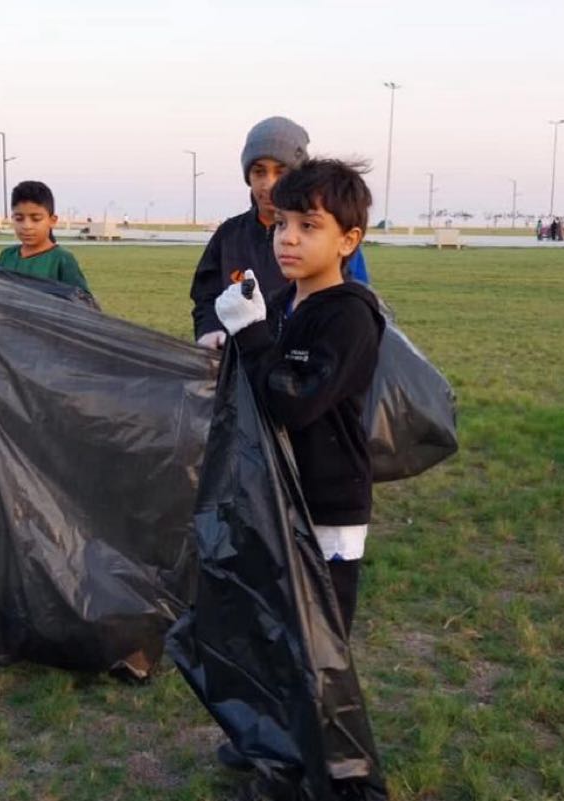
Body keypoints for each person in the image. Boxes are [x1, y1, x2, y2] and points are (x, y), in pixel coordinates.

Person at [212, 160, 385, 792]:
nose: (288, 237)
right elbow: (261, 386)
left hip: (328, 504)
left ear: (348, 240)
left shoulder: (349, 315)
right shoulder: (287, 302)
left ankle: (321, 772)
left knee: (317, 648)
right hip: (280, 495)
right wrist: (234, 338)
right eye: (282, 223)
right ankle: (276, 740)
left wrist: (253, 334)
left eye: (309, 226)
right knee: (276, 630)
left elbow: (292, 399)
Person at [189, 117, 368, 350]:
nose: (268, 184)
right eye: (259, 172)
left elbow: (353, 307)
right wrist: (210, 329)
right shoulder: (228, 235)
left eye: (281, 172)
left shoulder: (333, 244)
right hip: (235, 358)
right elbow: (206, 295)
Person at [0, 181, 89, 292]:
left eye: (36, 219)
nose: (27, 226)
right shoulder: (7, 256)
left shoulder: (62, 260)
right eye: (19, 219)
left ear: (52, 221)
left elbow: (80, 298)